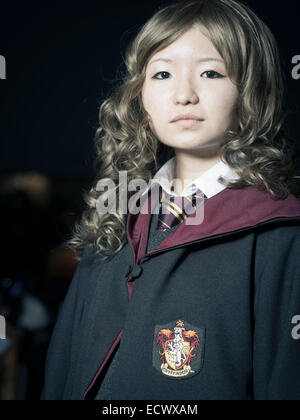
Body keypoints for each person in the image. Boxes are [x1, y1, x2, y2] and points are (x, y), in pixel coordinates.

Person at [41, 0, 300, 400]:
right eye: (161, 73)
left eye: (210, 73)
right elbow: (62, 368)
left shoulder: (280, 233)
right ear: (140, 96)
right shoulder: (113, 220)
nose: (183, 94)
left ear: (252, 93)